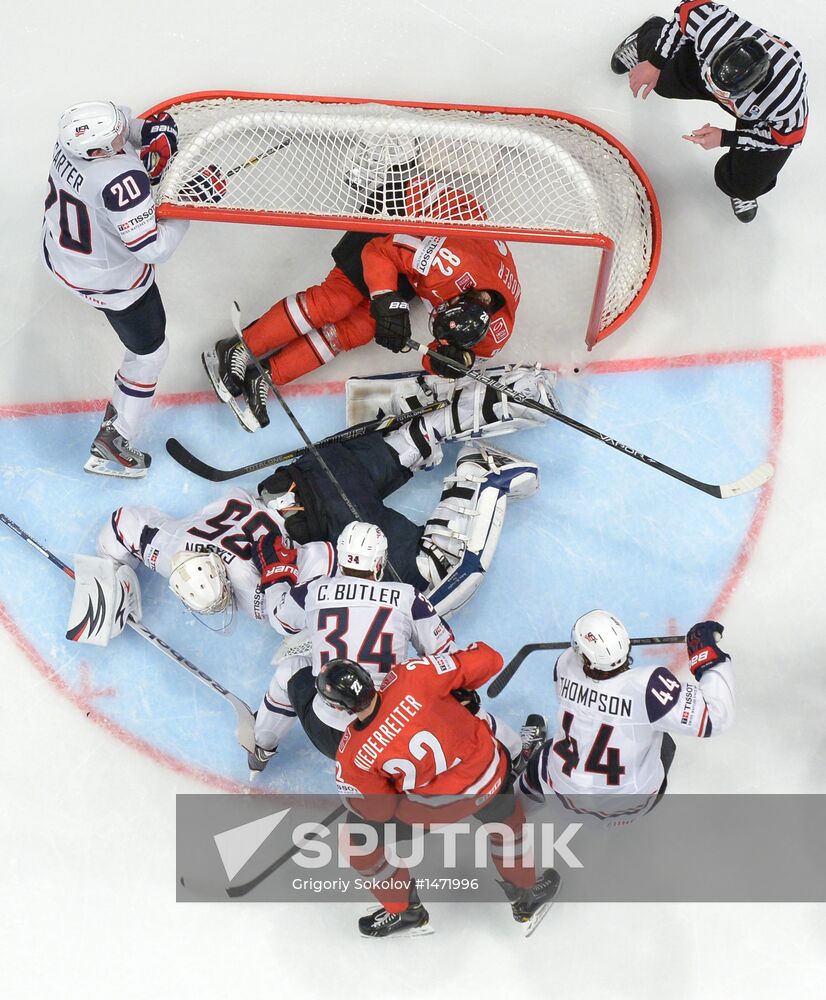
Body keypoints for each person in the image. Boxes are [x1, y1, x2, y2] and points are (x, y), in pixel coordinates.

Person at [320, 645, 562, 938]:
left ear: (338, 707)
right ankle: (525, 897)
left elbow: (379, 810)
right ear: (367, 678)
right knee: (506, 824)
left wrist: (390, 785)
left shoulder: (352, 755)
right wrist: (457, 688)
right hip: (490, 774)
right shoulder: (411, 676)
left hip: (435, 808)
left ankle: (406, 911)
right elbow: (491, 659)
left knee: (358, 841)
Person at [248, 520, 524, 775]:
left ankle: (261, 746)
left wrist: (277, 575)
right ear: (379, 563)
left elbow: (280, 619)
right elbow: (445, 656)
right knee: (456, 693)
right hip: (393, 736)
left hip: (327, 735)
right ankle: (516, 752)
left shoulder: (314, 589)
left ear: (341, 558)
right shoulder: (406, 597)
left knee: (290, 668)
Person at [202, 228, 522, 431]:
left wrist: (446, 364)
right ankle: (239, 348)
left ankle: (266, 374)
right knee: (336, 301)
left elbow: (448, 354)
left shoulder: (495, 336)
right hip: (399, 213)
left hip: (428, 251)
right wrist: (385, 298)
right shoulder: (446, 264)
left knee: (360, 328)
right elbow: (379, 251)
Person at [42, 101, 197, 476]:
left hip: (61, 258)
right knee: (150, 354)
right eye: (113, 138)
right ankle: (117, 439)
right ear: (97, 150)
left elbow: (121, 118)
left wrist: (147, 133)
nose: (119, 135)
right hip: (111, 284)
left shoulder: (69, 142)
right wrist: (191, 201)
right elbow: (153, 247)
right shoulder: (120, 179)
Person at [517, 611, 735, 821]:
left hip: (562, 799)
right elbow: (716, 718)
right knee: (664, 740)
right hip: (630, 809)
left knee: (545, 757)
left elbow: (587, 692)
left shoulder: (565, 664)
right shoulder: (649, 687)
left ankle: (511, 810)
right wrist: (707, 659)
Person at [610, 3, 808, 222]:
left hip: (759, 117)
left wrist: (726, 138)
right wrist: (655, 62)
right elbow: (686, 13)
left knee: (745, 185)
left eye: (720, 91)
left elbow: (780, 140)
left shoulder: (785, 102)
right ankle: (647, 37)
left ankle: (741, 188)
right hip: (713, 70)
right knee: (663, 82)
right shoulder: (714, 31)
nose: (713, 91)